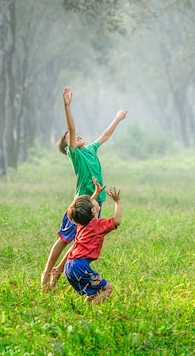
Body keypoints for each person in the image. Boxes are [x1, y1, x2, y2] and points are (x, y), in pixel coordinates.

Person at [41, 86, 127, 291]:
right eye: (70, 137)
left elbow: (104, 136)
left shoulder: (89, 150)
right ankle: (47, 273)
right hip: (81, 204)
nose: (76, 135)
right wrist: (67, 105)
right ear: (67, 146)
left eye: (77, 135)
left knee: (82, 239)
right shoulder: (76, 155)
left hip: (97, 202)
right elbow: (71, 129)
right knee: (64, 238)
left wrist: (117, 118)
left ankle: (59, 272)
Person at [64, 177, 121, 305]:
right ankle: (92, 312)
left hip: (69, 266)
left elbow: (87, 206)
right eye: (93, 201)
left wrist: (96, 193)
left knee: (94, 291)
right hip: (80, 266)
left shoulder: (81, 223)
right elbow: (116, 221)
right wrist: (118, 202)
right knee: (107, 288)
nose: (94, 200)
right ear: (93, 210)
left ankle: (86, 307)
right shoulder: (98, 226)